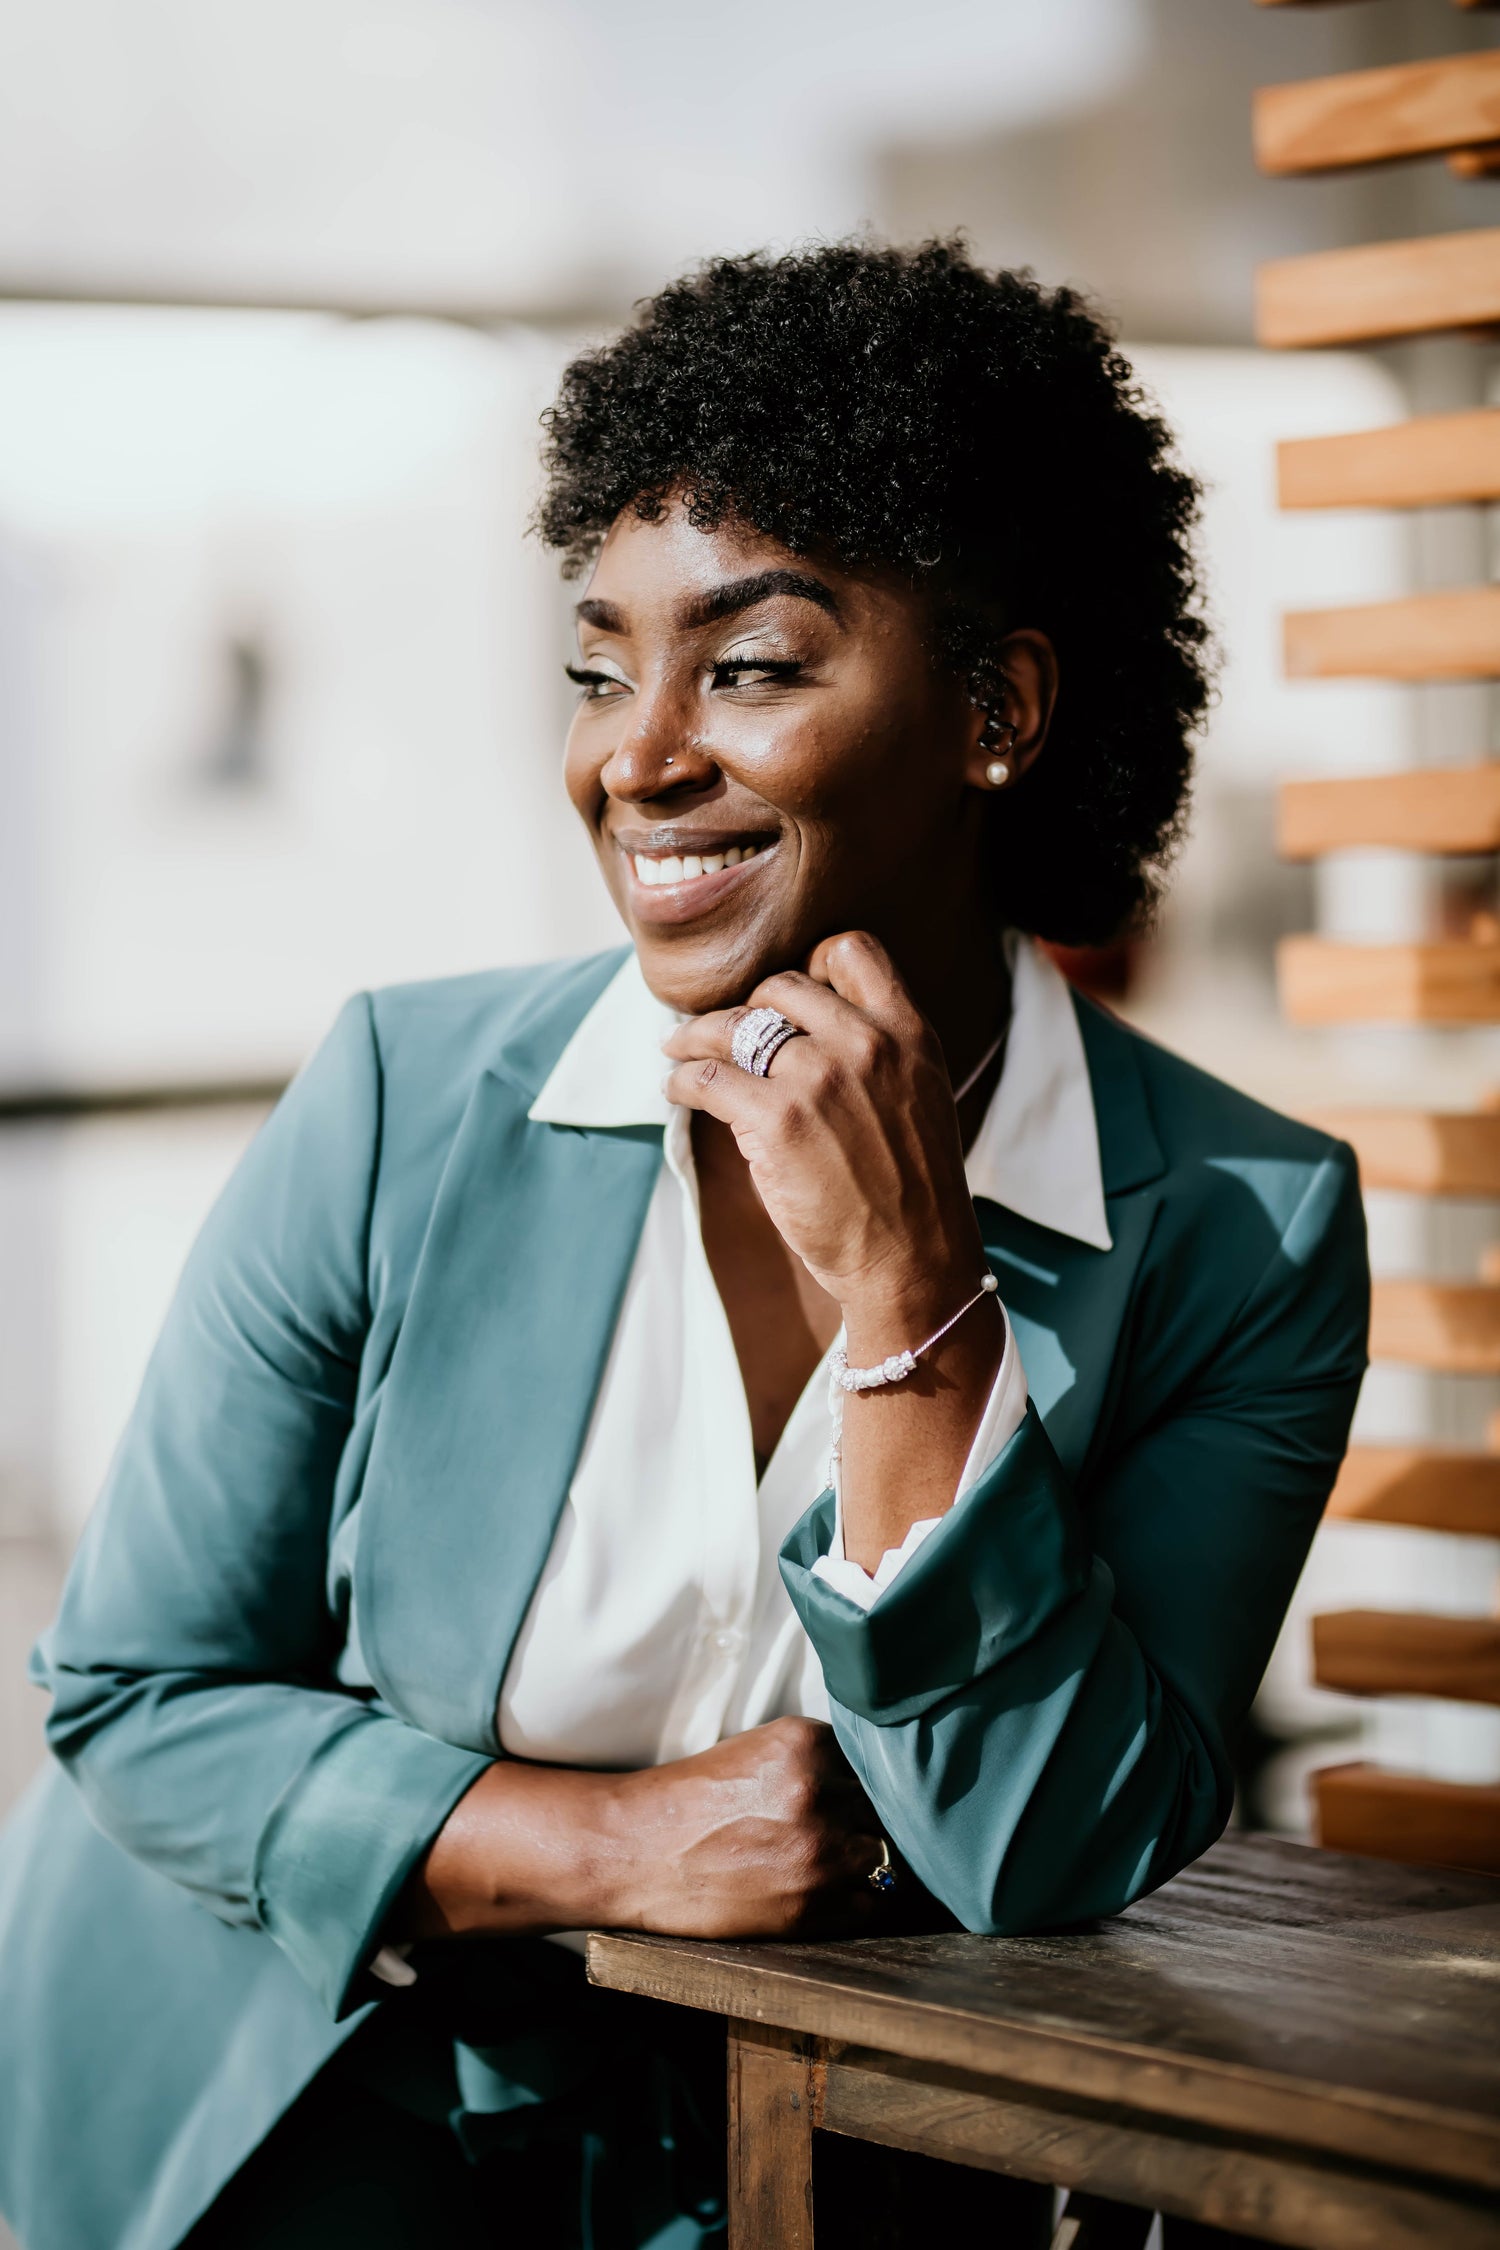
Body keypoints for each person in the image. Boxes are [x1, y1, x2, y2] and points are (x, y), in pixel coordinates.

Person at [0, 240, 1368, 2250]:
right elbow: (138, 1697)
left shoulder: (1245, 1228)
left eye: (748, 666)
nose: (635, 755)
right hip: (279, 2105)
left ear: (996, 705)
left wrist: (917, 1303)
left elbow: (1058, 1854)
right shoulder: (400, 1103)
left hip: (794, 2171)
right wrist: (616, 1841)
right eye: (597, 666)